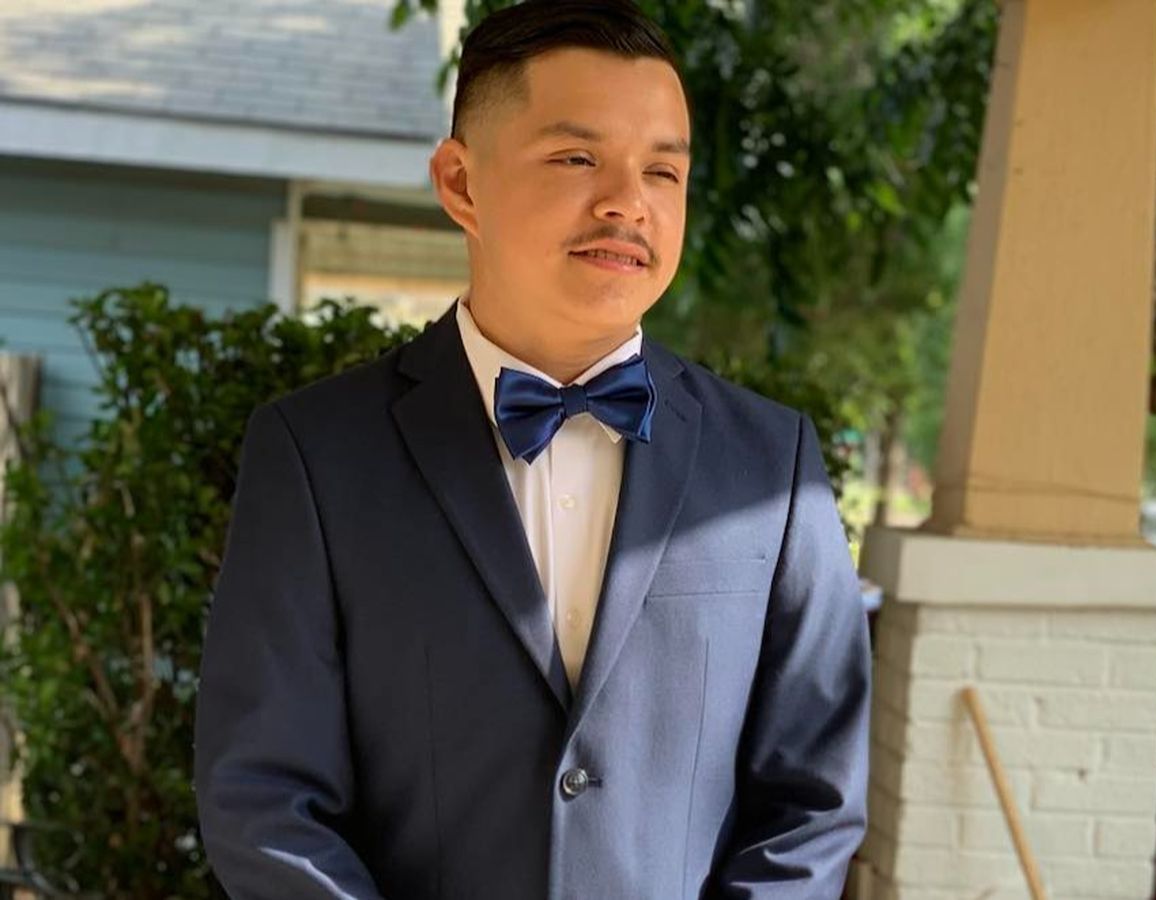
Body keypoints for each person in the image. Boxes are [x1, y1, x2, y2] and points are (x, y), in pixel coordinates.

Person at [193, 2, 871, 897]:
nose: (627, 202)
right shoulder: (316, 455)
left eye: (662, 170)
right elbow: (262, 800)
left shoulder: (772, 467)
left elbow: (815, 803)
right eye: (577, 158)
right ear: (461, 183)